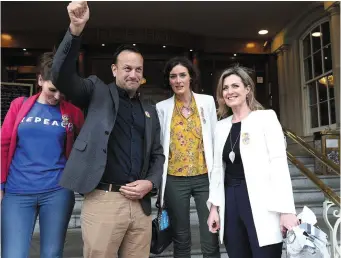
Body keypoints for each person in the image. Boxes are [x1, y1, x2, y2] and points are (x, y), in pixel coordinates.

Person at [51, 2, 165, 257]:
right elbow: (60, 76)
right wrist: (76, 30)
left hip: (140, 206)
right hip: (104, 200)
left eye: (138, 70)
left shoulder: (150, 110)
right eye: (127, 68)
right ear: (114, 70)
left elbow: (158, 154)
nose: (133, 74)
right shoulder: (95, 92)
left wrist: (151, 182)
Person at [207, 65, 299, 258]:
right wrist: (214, 208)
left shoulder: (266, 118)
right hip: (230, 200)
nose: (230, 91)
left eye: (235, 86)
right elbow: (217, 170)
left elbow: (279, 165)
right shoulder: (221, 127)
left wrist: (287, 210)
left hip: (261, 201)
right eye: (225, 88)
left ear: (247, 89)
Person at [1, 52, 84, 258]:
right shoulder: (19, 105)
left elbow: (85, 148)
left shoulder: (73, 113)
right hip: (17, 191)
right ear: (40, 80)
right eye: (52, 90)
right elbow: (3, 145)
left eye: (62, 92)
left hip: (57, 191)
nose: (57, 97)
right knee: (13, 254)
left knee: (51, 254)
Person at [156, 57, 220, 258]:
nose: (178, 80)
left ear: (191, 77)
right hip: (175, 179)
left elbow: (215, 138)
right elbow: (159, 144)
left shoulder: (207, 101)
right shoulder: (162, 107)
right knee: (181, 237)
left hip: (204, 178)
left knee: (210, 233)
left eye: (182, 75)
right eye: (173, 76)